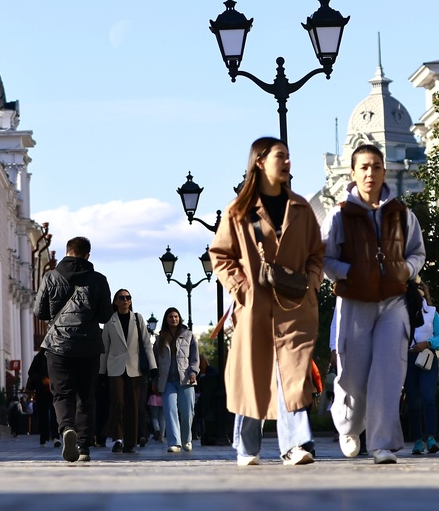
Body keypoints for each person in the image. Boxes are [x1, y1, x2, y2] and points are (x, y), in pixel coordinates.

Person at [210, 137, 324, 467]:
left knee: (294, 374)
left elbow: (317, 254)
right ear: (260, 162)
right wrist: (242, 289)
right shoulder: (238, 211)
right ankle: (247, 448)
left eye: (289, 156)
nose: (287, 162)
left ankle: (295, 445)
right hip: (255, 307)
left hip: (295, 307)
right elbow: (220, 255)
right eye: (280, 156)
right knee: (254, 375)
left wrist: (312, 284)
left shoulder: (301, 208)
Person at [321, 143, 426, 465]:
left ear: (384, 171)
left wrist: (404, 270)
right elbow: (325, 259)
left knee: (388, 374)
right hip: (355, 302)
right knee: (352, 377)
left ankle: (382, 444)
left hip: (393, 303)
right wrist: (350, 272)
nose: (370, 173)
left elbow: (417, 253)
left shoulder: (402, 214)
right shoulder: (339, 214)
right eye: (364, 167)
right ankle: (349, 426)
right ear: (353, 173)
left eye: (376, 167)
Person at [33, 235, 112, 463]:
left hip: (58, 345)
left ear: (67, 252)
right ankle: (84, 446)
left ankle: (67, 428)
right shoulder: (99, 279)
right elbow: (105, 315)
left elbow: (40, 312)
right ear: (87, 255)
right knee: (86, 396)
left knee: (62, 393)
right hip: (89, 345)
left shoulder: (51, 276)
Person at [100, 289, 156, 454]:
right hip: (115, 367)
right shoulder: (109, 321)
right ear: (115, 301)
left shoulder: (138, 319)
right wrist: (101, 372)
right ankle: (118, 439)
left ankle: (130, 442)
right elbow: (104, 348)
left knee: (133, 405)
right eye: (122, 297)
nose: (125, 300)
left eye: (128, 297)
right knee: (117, 402)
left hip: (134, 367)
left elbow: (147, 344)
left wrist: (153, 367)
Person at [404, 279, 439, 456]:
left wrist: (428, 343)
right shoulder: (401, 313)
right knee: (413, 401)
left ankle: (431, 437)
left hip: (427, 357)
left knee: (429, 398)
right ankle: (417, 440)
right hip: (408, 358)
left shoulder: (432, 313)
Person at [153, 307, 199, 454]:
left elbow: (195, 357)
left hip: (185, 379)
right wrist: (155, 379)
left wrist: (193, 372)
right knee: (170, 410)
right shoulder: (160, 338)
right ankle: (174, 443)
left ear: (179, 318)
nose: (173, 319)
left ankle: (186, 440)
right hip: (167, 380)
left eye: (176, 316)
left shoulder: (189, 336)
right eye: (170, 317)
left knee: (187, 413)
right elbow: (155, 360)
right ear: (166, 319)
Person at [26, 347, 60, 447]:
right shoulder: (39, 358)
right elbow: (31, 372)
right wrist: (42, 379)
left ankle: (56, 436)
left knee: (55, 414)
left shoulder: (57, 356)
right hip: (41, 390)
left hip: (53, 390)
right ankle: (43, 438)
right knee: (43, 415)